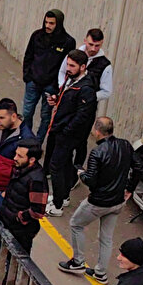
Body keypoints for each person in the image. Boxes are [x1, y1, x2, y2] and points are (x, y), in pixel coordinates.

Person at [58, 117, 143, 283]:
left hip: (98, 201)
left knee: (76, 223)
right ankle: (100, 273)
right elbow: (139, 168)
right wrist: (129, 189)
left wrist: (81, 173)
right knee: (106, 237)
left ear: (97, 131)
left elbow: (91, 180)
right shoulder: (125, 145)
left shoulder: (97, 153)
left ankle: (77, 261)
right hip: (118, 201)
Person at [44, 49, 98, 217]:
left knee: (56, 166)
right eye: (67, 64)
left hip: (67, 134)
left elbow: (82, 116)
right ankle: (64, 196)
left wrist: (65, 131)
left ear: (83, 67)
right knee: (65, 164)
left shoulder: (86, 89)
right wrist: (55, 99)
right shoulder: (72, 79)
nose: (68, 68)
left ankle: (57, 206)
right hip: (61, 129)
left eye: (72, 66)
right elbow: (67, 101)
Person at [57, 28, 113, 170]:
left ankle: (77, 169)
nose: (93, 48)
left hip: (86, 108)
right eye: (90, 44)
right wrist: (63, 89)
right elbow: (62, 72)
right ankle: (62, 167)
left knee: (81, 141)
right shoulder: (74, 55)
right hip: (67, 104)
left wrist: (86, 96)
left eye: (97, 45)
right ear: (85, 40)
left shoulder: (105, 65)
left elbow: (106, 92)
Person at [21, 9, 76, 141]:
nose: (48, 26)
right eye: (46, 22)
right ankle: (26, 139)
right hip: (33, 81)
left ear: (58, 24)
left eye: (51, 23)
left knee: (45, 116)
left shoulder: (67, 42)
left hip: (51, 86)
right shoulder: (37, 36)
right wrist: (27, 76)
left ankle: (38, 142)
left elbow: (66, 65)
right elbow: (28, 55)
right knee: (27, 113)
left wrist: (58, 86)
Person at [0, 98, 36, 214]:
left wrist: (9, 193)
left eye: (1, 118)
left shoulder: (26, 139)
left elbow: (25, 172)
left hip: (4, 195)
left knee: (3, 227)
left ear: (14, 117)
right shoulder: (0, 127)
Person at [0, 138, 49, 255]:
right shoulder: (20, 168)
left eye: (20, 156)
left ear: (32, 159)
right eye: (16, 154)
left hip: (21, 230)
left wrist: (19, 217)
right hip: (8, 219)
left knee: (18, 257)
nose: (15, 158)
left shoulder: (37, 180)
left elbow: (38, 211)